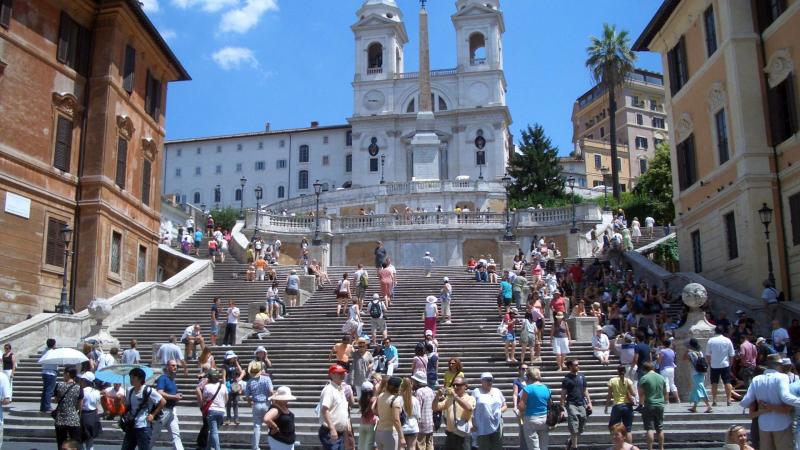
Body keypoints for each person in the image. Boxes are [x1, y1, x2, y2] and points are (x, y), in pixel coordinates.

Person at [740, 353, 800, 450]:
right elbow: (786, 397)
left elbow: (745, 401)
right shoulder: (782, 377)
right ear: (778, 365)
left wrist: (762, 407)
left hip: (764, 424)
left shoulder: (756, 379)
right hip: (782, 422)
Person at [122, 367, 165, 450]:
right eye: (130, 377)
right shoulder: (129, 390)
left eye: (133, 377)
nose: (131, 379)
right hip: (131, 425)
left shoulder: (148, 390)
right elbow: (128, 406)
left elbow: (162, 401)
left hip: (143, 426)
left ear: (140, 378)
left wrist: (153, 415)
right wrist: (122, 401)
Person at [434, 376, 475, 450]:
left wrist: (455, 396)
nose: (455, 387)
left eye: (458, 385)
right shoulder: (449, 399)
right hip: (451, 435)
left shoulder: (470, 398)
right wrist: (437, 396)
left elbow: (468, 408)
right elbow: (435, 408)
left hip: (464, 435)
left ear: (465, 386)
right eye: (454, 385)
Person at [152, 359, 184, 450]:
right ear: (167, 367)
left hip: (172, 410)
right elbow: (159, 392)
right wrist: (174, 397)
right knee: (154, 434)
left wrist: (177, 397)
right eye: (173, 365)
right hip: (163, 410)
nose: (175, 367)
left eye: (176, 366)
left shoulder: (173, 380)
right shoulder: (163, 378)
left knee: (176, 435)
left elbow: (173, 394)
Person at [561, 359, 591, 450]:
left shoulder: (582, 376)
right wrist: (562, 408)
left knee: (581, 427)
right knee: (574, 426)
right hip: (571, 404)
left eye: (578, 364)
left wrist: (589, 402)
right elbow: (563, 394)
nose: (578, 366)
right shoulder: (566, 379)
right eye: (576, 365)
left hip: (581, 403)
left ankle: (571, 440)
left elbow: (585, 390)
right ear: (570, 366)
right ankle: (575, 447)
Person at [319, 364, 351, 450]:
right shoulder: (329, 389)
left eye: (343, 373)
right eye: (339, 373)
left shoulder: (340, 389)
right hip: (330, 432)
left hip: (339, 432)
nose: (342, 375)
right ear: (332, 375)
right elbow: (325, 410)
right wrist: (332, 429)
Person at [472, 372, 506, 450]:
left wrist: (500, 411)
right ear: (481, 381)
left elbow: (505, 406)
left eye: (490, 380)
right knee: (484, 447)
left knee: (497, 447)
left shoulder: (497, 391)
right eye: (486, 380)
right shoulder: (476, 391)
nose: (489, 382)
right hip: (482, 426)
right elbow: (472, 408)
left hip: (497, 424)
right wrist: (472, 423)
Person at [245, 361, 274, 450]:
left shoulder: (249, 381)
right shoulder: (266, 379)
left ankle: (256, 446)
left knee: (257, 426)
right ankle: (272, 444)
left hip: (256, 404)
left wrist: (250, 403)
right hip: (266, 403)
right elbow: (271, 392)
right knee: (270, 425)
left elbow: (247, 396)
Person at [518, 367, 550, 450]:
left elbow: (521, 407)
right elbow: (548, 404)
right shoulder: (546, 388)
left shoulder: (528, 389)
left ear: (528, 376)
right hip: (545, 419)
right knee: (544, 447)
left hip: (531, 418)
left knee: (534, 447)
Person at [637, 362, 666, 450]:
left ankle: (650, 448)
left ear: (644, 369)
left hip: (649, 404)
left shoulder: (644, 378)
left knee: (649, 428)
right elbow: (665, 391)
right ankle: (661, 448)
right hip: (660, 404)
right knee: (660, 428)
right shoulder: (661, 377)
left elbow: (641, 394)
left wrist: (640, 404)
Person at [604, 365, 635, 444]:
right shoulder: (628, 380)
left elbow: (609, 395)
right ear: (625, 371)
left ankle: (618, 444)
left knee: (613, 427)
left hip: (617, 405)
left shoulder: (612, 380)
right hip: (628, 406)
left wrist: (606, 406)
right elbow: (634, 394)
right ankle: (629, 447)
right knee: (628, 429)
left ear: (617, 371)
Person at [706, 325, 735, 406]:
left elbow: (708, 354)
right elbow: (732, 354)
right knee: (727, 382)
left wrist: (709, 363)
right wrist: (731, 364)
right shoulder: (727, 340)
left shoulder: (711, 341)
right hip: (725, 364)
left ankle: (714, 400)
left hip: (714, 365)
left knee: (714, 383)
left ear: (715, 331)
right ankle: (729, 399)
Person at [53, 367, 82, 449]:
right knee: (75, 443)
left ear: (68, 374)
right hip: (73, 418)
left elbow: (55, 400)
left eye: (64, 373)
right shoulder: (78, 387)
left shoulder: (59, 385)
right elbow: (80, 405)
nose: (63, 375)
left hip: (60, 418)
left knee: (61, 443)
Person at [200, 369, 228, 450]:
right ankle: (209, 447)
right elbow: (226, 398)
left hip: (212, 410)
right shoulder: (223, 386)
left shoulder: (207, 387)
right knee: (213, 430)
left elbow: (204, 399)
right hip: (222, 411)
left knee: (214, 431)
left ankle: (217, 448)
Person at [685, 338, 713, 413]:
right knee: (696, 389)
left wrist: (687, 351)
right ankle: (694, 407)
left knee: (700, 389)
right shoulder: (700, 352)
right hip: (702, 372)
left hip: (695, 373)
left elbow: (684, 359)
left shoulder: (690, 353)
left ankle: (709, 406)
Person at [78, 372, 102, 450]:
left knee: (80, 440)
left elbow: (80, 406)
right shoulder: (97, 392)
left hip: (84, 415)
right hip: (94, 416)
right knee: (90, 442)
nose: (80, 381)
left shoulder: (82, 391)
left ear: (85, 381)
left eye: (82, 380)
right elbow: (97, 406)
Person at [412, 371, 435, 450]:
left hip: (421, 423)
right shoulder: (430, 390)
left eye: (414, 381)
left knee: (420, 445)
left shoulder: (419, 392)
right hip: (430, 422)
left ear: (417, 382)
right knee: (429, 444)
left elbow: (417, 409)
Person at [222, 350, 243, 426]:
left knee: (235, 401)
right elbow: (224, 376)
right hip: (228, 383)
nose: (233, 359)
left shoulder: (235, 365)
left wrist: (237, 362)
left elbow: (241, 372)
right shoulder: (225, 366)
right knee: (228, 402)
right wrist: (224, 385)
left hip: (235, 383)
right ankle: (228, 418)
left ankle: (236, 418)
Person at [400, 377, 419, 450]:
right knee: (412, 447)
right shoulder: (415, 400)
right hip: (413, 426)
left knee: (401, 447)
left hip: (402, 427)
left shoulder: (398, 400)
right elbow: (418, 416)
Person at [357, 381, 377, 450]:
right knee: (369, 445)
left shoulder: (360, 400)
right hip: (371, 424)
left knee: (361, 445)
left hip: (362, 424)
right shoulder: (373, 399)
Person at [40, 338, 58, 413]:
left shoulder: (44, 351)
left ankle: (43, 406)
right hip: (51, 373)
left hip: (44, 372)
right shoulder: (53, 352)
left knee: (45, 390)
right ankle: (47, 406)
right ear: (53, 344)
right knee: (49, 391)